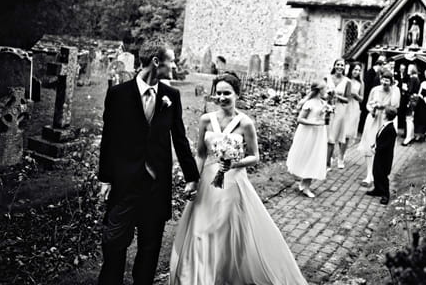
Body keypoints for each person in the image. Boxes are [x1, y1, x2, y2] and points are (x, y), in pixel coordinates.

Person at [170, 73, 308, 285]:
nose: (222, 97)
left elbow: (255, 156)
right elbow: (200, 154)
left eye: (227, 93)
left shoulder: (245, 123)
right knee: (202, 230)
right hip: (208, 183)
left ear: (237, 94)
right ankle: (200, 278)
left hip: (233, 184)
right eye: (219, 93)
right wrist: (193, 180)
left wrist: (234, 163)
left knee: (225, 232)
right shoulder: (206, 120)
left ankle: (225, 274)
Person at [97, 39, 200, 285]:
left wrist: (192, 177)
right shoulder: (118, 95)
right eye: (171, 60)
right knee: (113, 245)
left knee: (149, 250)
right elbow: (109, 138)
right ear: (156, 62)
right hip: (124, 185)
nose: (174, 65)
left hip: (156, 188)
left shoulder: (171, 96)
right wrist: (105, 178)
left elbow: (180, 138)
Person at [357, 70, 400, 187]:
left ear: (391, 82)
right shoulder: (375, 90)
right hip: (373, 118)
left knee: (381, 147)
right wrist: (371, 110)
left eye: (387, 80)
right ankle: (369, 174)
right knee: (369, 144)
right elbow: (367, 104)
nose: (384, 82)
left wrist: (383, 105)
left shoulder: (394, 91)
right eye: (383, 79)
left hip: (385, 119)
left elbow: (395, 106)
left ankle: (379, 174)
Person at [286, 80, 328, 198]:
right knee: (307, 155)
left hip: (319, 133)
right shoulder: (309, 103)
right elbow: (300, 119)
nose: (327, 90)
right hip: (308, 133)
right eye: (325, 88)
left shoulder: (323, 103)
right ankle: (305, 185)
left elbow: (323, 118)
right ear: (320, 90)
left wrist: (328, 112)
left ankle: (305, 185)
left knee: (315, 156)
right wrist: (315, 123)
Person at [366, 106, 398, 205]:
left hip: (385, 157)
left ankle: (385, 194)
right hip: (379, 155)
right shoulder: (384, 126)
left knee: (383, 175)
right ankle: (377, 189)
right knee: (376, 172)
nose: (382, 114)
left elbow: (386, 145)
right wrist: (375, 145)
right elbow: (380, 139)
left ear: (387, 116)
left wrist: (376, 149)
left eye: (384, 113)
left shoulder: (391, 129)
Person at [326, 58, 352, 169]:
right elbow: (321, 93)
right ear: (334, 65)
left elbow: (347, 99)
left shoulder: (347, 81)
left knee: (332, 138)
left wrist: (336, 96)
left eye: (342, 65)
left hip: (340, 110)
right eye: (338, 64)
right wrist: (328, 95)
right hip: (327, 108)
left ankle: (327, 163)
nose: (340, 67)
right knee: (325, 135)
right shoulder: (327, 78)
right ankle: (325, 159)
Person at [358, 56, 385, 133]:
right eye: (382, 66)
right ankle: (361, 128)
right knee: (364, 112)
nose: (382, 68)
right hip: (367, 94)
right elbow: (367, 84)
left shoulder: (376, 73)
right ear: (379, 65)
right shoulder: (371, 72)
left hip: (370, 94)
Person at [402, 64, 421, 146]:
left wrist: (404, 87)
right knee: (410, 119)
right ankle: (411, 136)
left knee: (409, 119)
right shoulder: (416, 78)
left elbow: (409, 90)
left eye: (409, 68)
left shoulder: (413, 78)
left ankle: (408, 137)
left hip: (411, 100)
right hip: (414, 100)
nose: (407, 70)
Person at [345, 62, 364, 144]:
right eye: (355, 69)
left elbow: (361, 99)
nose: (357, 72)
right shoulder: (345, 79)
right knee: (341, 130)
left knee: (348, 132)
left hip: (353, 107)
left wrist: (355, 94)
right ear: (351, 69)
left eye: (359, 70)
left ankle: (342, 154)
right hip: (344, 105)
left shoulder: (361, 83)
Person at [395, 63, 409, 134]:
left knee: (402, 108)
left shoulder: (406, 75)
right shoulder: (396, 74)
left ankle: (401, 124)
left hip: (404, 94)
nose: (402, 70)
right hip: (398, 92)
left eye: (403, 69)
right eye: (401, 69)